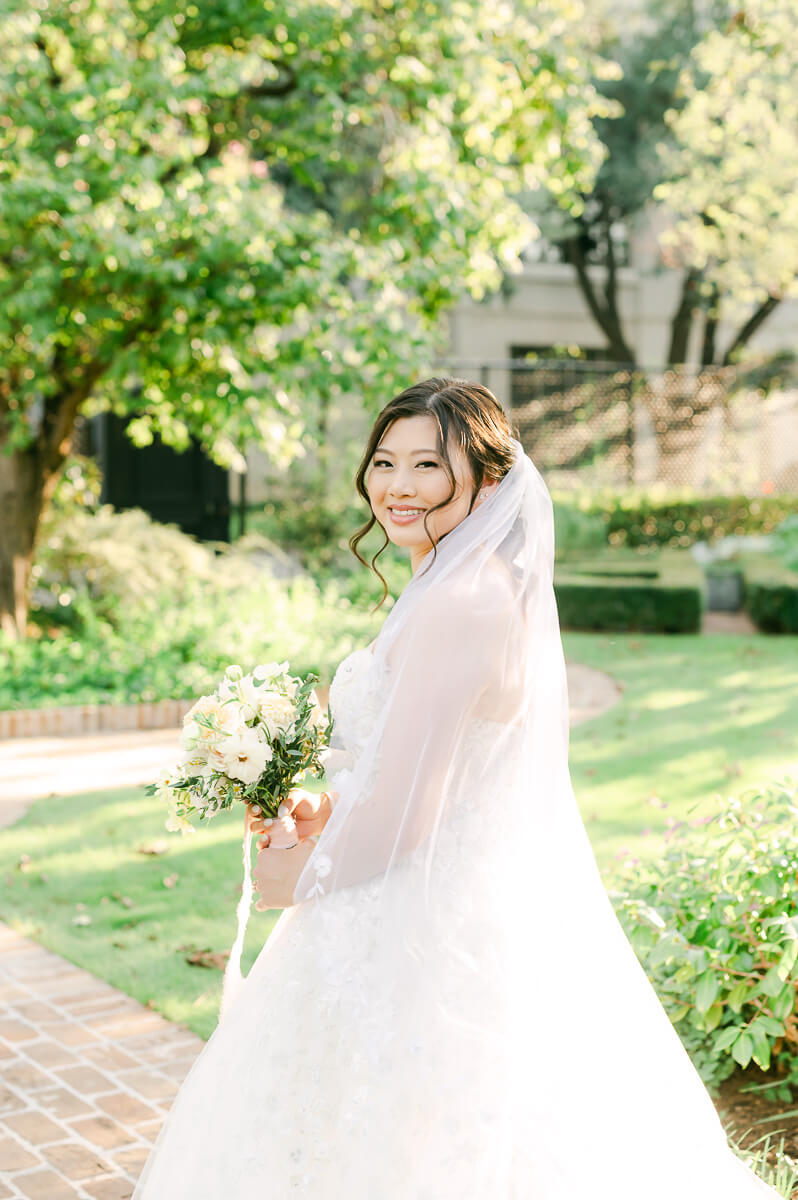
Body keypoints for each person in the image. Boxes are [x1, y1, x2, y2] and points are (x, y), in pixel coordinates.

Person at [132, 378, 778, 1198]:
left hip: (424, 919)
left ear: (489, 481)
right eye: (384, 462)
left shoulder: (461, 604)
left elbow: (412, 818)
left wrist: (298, 878)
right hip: (426, 893)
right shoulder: (449, 587)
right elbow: (423, 772)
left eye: (428, 465)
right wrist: (323, 809)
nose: (397, 486)